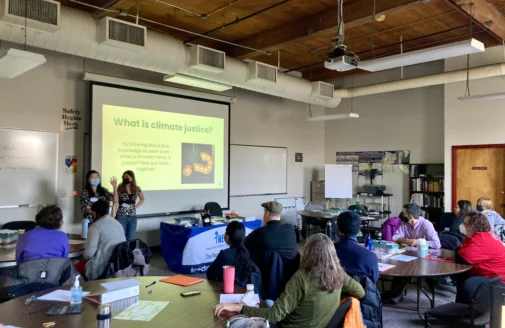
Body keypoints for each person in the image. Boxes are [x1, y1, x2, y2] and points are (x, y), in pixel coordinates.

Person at [214, 233, 365, 328]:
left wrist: (239, 308)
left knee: (244, 317)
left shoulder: (302, 277)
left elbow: (274, 316)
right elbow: (360, 292)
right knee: (268, 302)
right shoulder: (339, 274)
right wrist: (333, 299)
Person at [385, 203, 441, 304]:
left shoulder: (426, 224)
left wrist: (418, 242)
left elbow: (437, 244)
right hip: (408, 255)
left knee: (405, 268)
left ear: (410, 216)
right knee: (399, 265)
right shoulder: (405, 224)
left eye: (404, 213)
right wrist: (407, 240)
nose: (402, 215)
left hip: (423, 257)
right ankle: (395, 293)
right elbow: (395, 237)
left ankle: (395, 294)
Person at [455, 212, 505, 303]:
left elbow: (463, 255)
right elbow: (461, 248)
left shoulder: (480, 239)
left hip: (497, 282)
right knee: (462, 274)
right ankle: (463, 305)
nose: (463, 226)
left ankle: (465, 306)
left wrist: (459, 249)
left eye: (465, 224)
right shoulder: (478, 236)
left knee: (462, 274)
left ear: (473, 227)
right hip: (492, 276)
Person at [207, 221, 261, 293]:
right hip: (247, 294)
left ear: (227, 236)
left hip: (228, 293)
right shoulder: (249, 252)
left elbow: (210, 274)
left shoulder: (224, 254)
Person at [78, 199, 126, 280]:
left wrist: (79, 258)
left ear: (95, 213)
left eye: (92, 212)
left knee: (74, 264)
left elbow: (89, 254)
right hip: (120, 265)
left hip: (103, 267)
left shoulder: (95, 226)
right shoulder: (117, 223)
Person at [335, 211, 379, 283]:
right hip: (361, 293)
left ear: (338, 228)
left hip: (333, 292)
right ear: (359, 230)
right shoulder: (370, 257)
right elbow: (374, 280)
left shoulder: (328, 252)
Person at [115, 170, 144, 240]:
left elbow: (142, 199)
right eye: (124, 177)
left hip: (132, 217)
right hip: (121, 216)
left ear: (132, 178)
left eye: (127, 176)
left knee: (131, 237)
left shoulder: (137, 188)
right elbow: (115, 200)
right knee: (121, 237)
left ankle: (128, 251)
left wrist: (136, 206)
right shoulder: (120, 187)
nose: (125, 178)